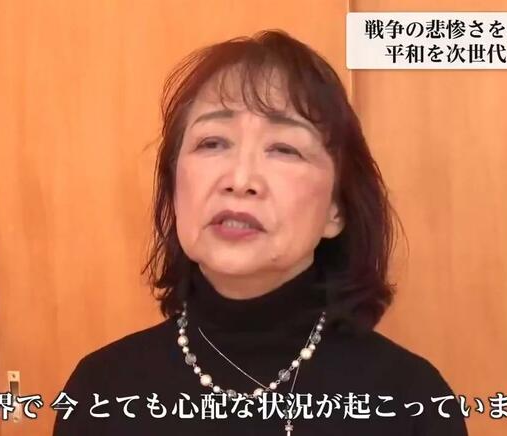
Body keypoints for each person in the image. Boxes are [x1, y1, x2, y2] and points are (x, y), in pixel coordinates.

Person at [53, 29, 468, 436]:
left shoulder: (411, 402)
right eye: (212, 143)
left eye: (284, 149)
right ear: (174, 187)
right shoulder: (100, 393)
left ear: (336, 210)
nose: (240, 179)